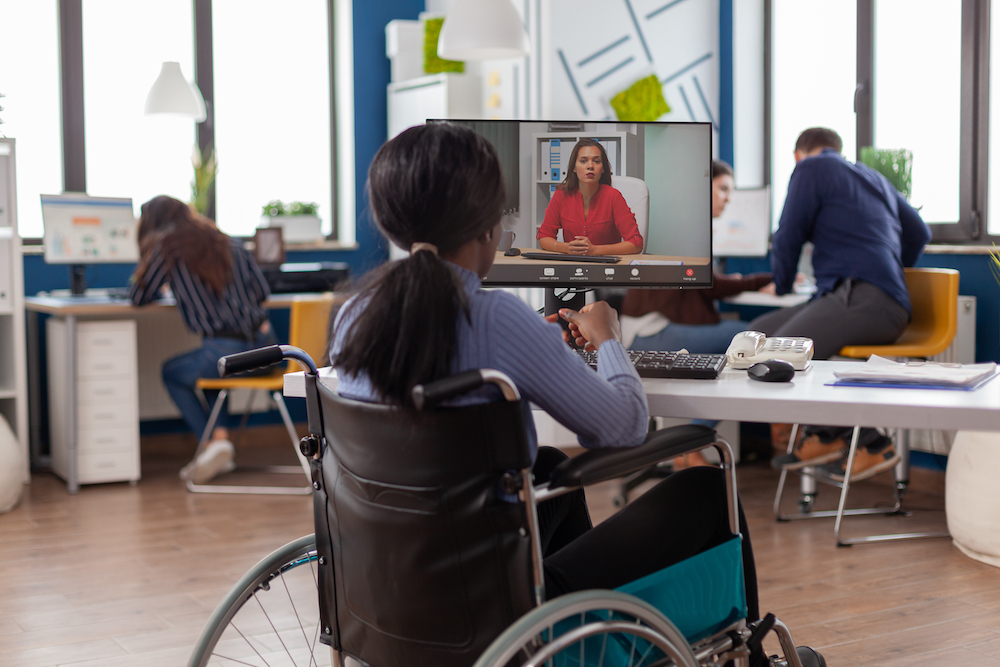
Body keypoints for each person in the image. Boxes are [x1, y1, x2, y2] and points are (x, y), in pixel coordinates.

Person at [329, 121, 767, 625]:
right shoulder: (495, 317)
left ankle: (595, 637)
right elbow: (621, 428)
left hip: (391, 589)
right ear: (489, 223)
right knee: (708, 488)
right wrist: (607, 340)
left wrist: (539, 348)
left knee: (547, 464)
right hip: (489, 597)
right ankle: (749, 653)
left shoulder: (355, 315)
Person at [750, 127, 931, 481]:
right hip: (865, 297)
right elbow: (919, 233)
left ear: (799, 155)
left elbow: (788, 232)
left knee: (779, 352)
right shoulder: (873, 178)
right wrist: (890, 269)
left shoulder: (810, 169)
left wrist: (783, 284)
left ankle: (871, 441)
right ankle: (827, 434)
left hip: (867, 298)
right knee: (757, 337)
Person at [129, 195, 277, 484]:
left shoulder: (167, 248)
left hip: (226, 353)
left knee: (172, 372)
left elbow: (138, 297)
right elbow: (262, 292)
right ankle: (220, 441)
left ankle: (211, 443)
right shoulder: (228, 241)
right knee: (210, 367)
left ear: (153, 224)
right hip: (267, 351)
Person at [620, 160, 774, 355]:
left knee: (748, 333)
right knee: (753, 336)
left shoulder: (682, 222)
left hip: (645, 328)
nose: (728, 199)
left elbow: (705, 282)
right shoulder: (687, 228)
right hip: (648, 332)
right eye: (723, 189)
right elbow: (712, 285)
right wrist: (769, 279)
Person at [536, 139, 643, 256]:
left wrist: (595, 250)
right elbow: (544, 237)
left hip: (606, 267)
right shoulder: (561, 195)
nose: (590, 166)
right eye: (583, 161)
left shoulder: (613, 197)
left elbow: (636, 243)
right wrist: (566, 248)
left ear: (603, 169)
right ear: (574, 167)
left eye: (596, 161)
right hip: (572, 266)